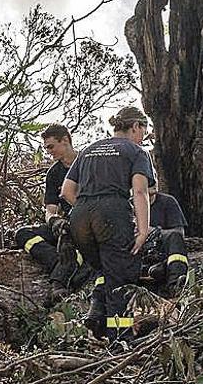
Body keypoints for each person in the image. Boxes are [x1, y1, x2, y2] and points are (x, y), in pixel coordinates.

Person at [61, 106, 156, 341]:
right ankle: (120, 340)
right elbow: (140, 191)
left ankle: (97, 323)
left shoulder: (88, 150)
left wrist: (87, 208)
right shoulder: (136, 151)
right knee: (120, 280)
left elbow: (66, 191)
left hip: (80, 215)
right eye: (142, 130)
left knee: (105, 268)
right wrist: (143, 230)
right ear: (135, 126)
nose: (143, 136)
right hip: (112, 213)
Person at [14, 124, 93, 289]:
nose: (49, 152)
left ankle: (67, 272)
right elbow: (50, 209)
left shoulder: (89, 163)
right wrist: (54, 221)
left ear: (65, 140)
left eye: (51, 146)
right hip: (65, 227)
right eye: (46, 148)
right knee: (22, 234)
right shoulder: (53, 173)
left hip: (89, 226)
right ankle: (59, 261)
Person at [137, 181, 189, 292]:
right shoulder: (129, 206)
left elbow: (179, 234)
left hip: (163, 253)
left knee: (175, 237)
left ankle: (176, 286)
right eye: (148, 178)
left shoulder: (168, 202)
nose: (153, 181)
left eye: (154, 176)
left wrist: (155, 232)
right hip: (139, 255)